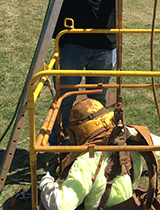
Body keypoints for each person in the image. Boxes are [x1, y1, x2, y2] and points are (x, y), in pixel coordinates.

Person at [39, 98, 160, 210]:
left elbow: (59, 207)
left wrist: (46, 182)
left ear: (77, 132)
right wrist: (131, 133)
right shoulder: (129, 145)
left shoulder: (85, 162)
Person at [49, 0, 117, 146]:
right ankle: (61, 147)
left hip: (104, 43)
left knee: (98, 100)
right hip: (71, 40)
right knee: (64, 100)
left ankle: (96, 141)